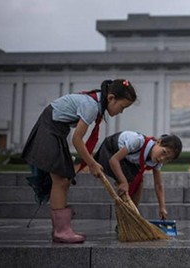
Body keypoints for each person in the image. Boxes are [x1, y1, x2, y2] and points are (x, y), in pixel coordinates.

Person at [21, 79, 137, 243]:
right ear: (111, 98)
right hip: (49, 130)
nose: (121, 112)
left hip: (56, 131)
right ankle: (61, 231)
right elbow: (77, 139)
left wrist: (91, 162)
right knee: (61, 181)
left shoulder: (95, 103)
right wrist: (91, 163)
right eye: (122, 107)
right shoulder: (91, 106)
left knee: (64, 181)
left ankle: (60, 230)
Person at [94, 131, 183, 219]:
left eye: (167, 159)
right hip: (111, 150)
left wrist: (162, 207)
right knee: (127, 182)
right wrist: (123, 182)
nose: (162, 158)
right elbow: (113, 160)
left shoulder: (157, 162)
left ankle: (131, 217)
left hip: (128, 161)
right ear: (158, 142)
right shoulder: (138, 141)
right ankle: (123, 217)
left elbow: (158, 184)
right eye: (164, 152)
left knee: (138, 182)